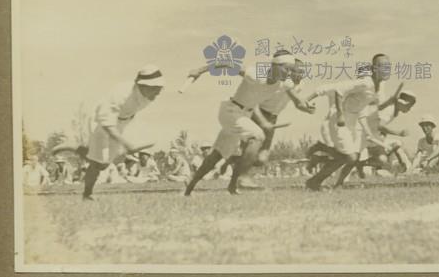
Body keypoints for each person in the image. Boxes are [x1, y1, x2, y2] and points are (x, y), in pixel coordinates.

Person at [184, 50, 298, 195]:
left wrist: (304, 104)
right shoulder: (255, 74)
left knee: (218, 153)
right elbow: (227, 63)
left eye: (291, 69)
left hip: (244, 115)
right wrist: (199, 70)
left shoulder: (285, 83)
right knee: (257, 136)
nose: (288, 72)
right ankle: (241, 178)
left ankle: (191, 184)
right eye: (285, 68)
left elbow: (295, 96)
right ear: (274, 66)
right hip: (231, 111)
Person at [82, 65, 165, 200]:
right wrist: (127, 144)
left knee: (104, 164)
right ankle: (87, 194)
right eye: (155, 88)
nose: (159, 92)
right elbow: (107, 124)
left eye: (160, 88)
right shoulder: (119, 95)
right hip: (101, 123)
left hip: (124, 121)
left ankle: (87, 153)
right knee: (98, 163)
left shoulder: (147, 93)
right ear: (142, 86)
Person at [234, 58, 315, 189]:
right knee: (252, 149)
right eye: (297, 71)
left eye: (303, 72)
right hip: (257, 113)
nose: (301, 74)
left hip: (273, 118)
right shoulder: (283, 82)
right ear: (290, 72)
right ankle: (243, 178)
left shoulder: (300, 85)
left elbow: (297, 103)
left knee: (262, 158)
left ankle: (233, 161)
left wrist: (307, 108)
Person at [304, 64, 378, 191]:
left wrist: (368, 133)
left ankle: (315, 181)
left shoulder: (363, 92)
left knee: (345, 159)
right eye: (362, 77)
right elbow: (321, 89)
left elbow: (362, 113)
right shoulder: (346, 85)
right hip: (332, 125)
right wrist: (306, 100)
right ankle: (322, 148)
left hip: (348, 127)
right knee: (349, 157)